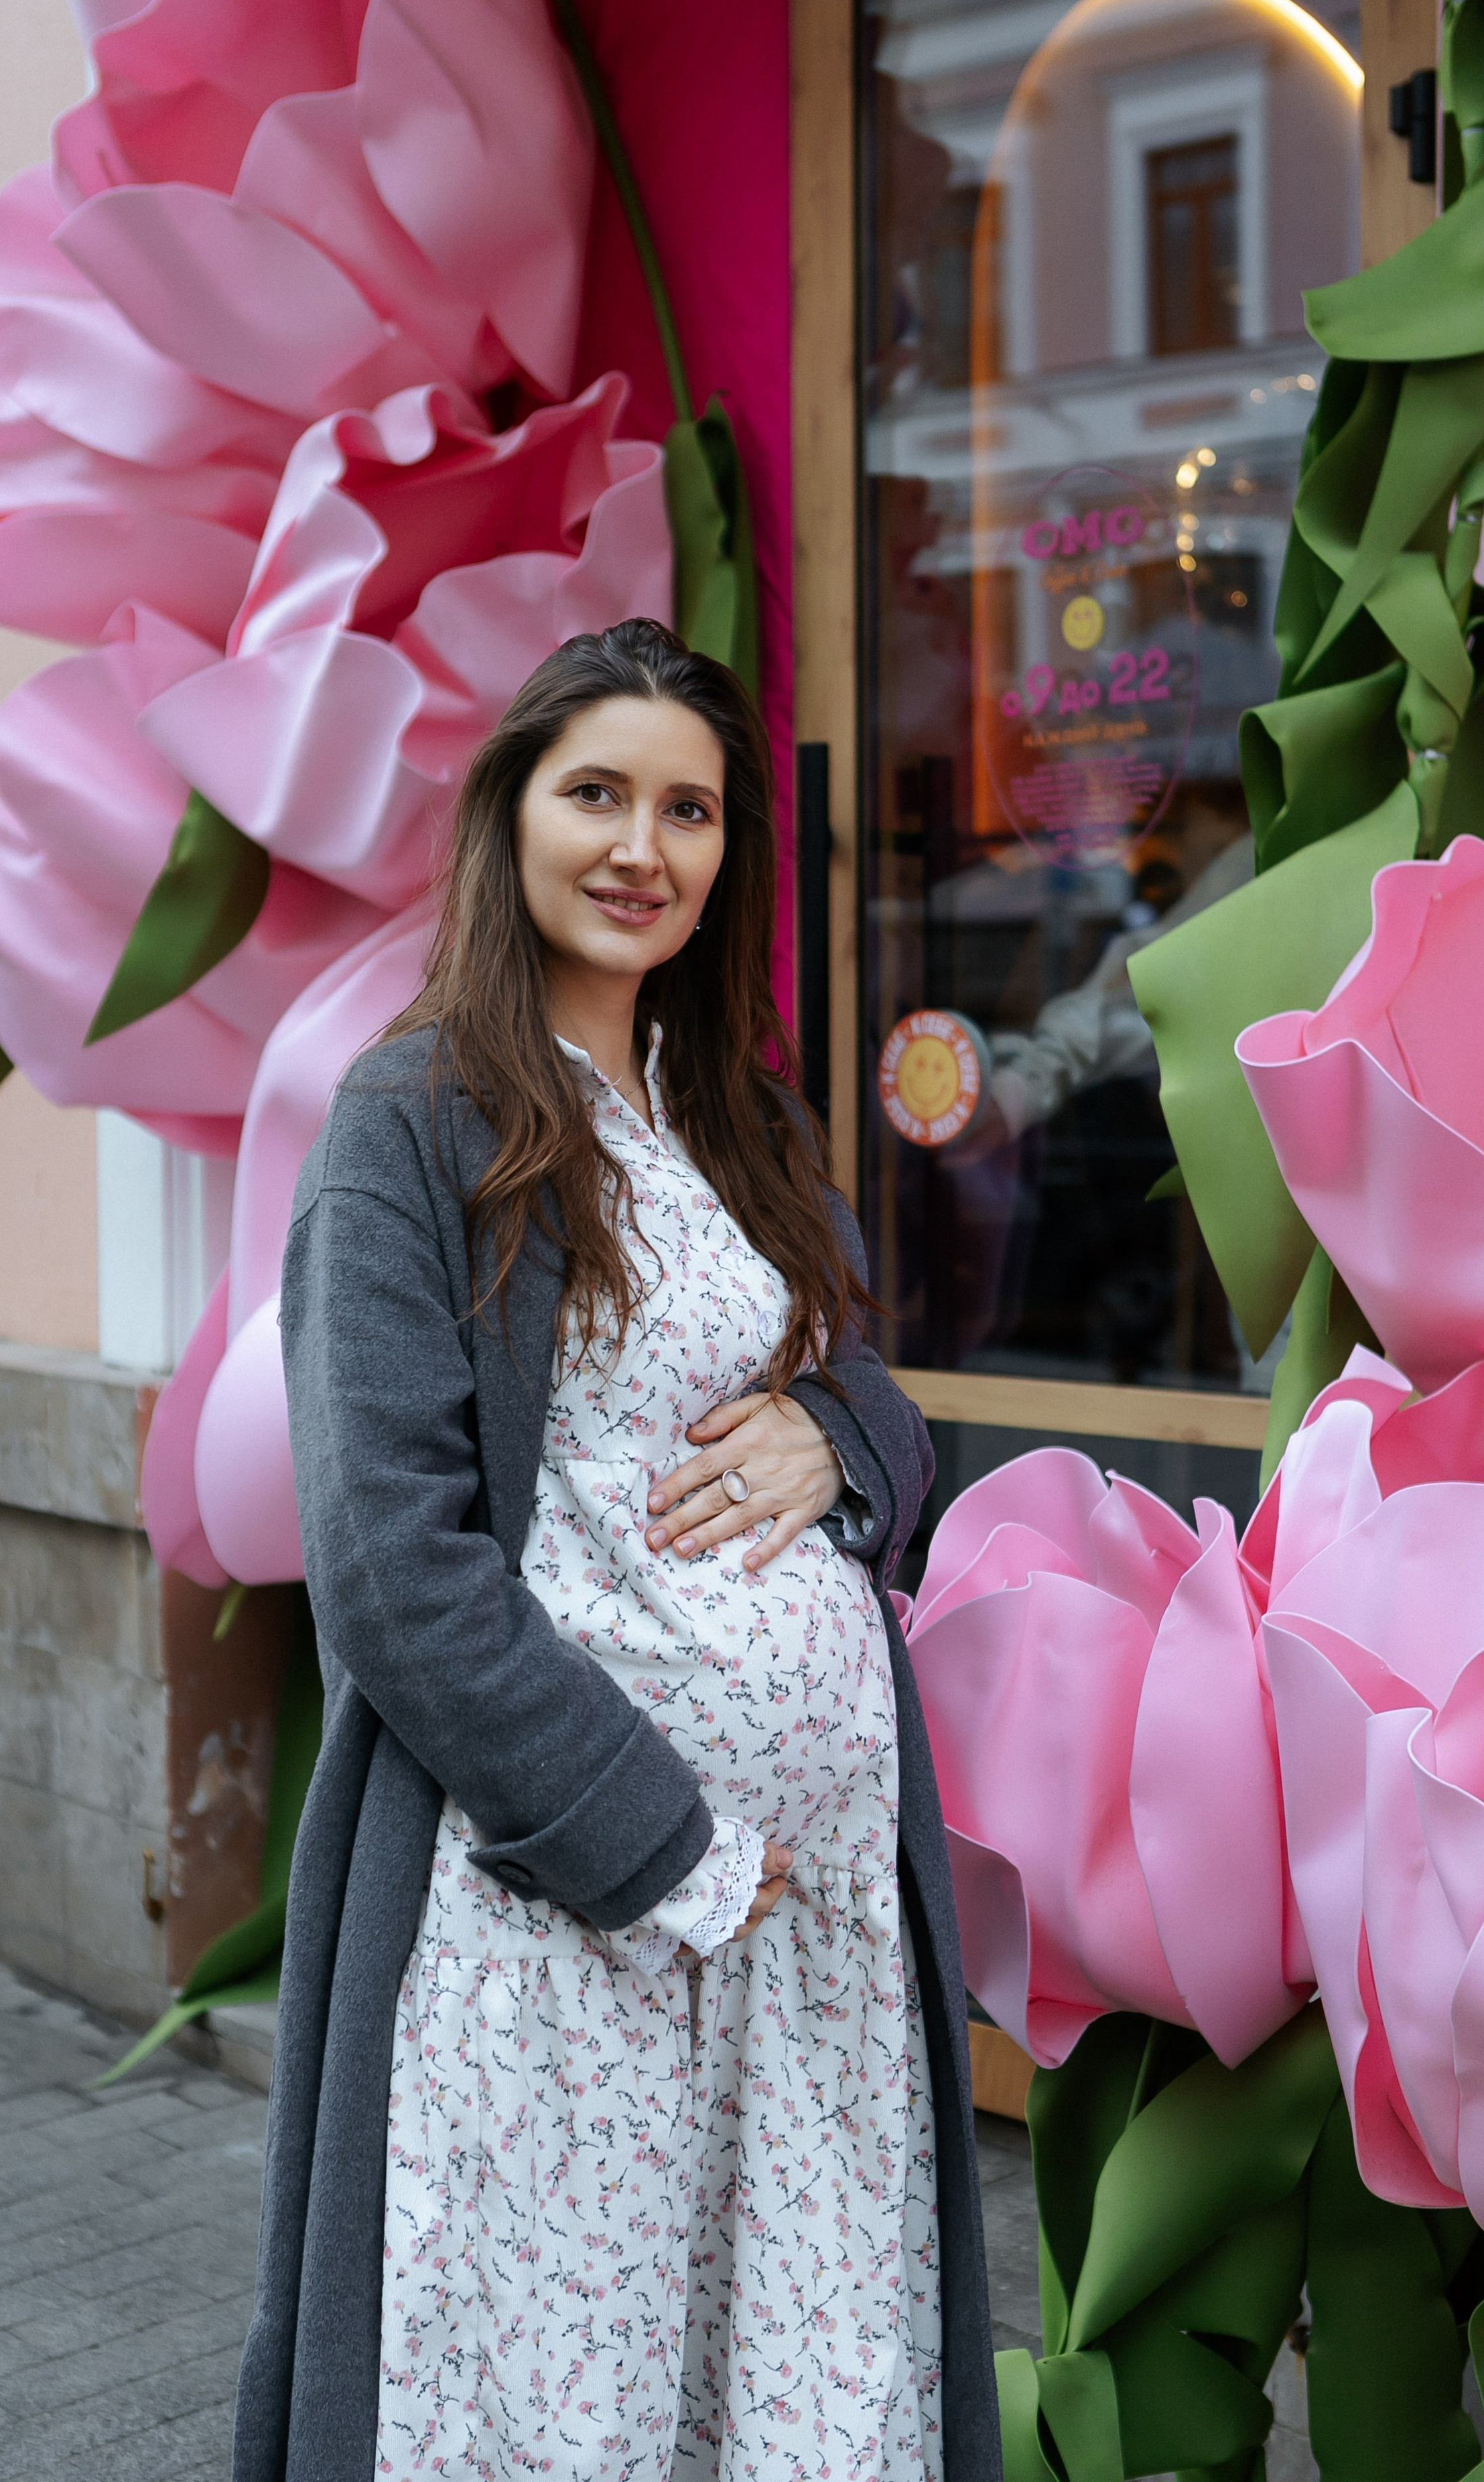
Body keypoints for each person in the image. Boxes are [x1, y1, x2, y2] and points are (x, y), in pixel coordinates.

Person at [230, 619, 1002, 2482]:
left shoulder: (737, 1121)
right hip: (566, 1919)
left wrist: (844, 1437)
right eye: (596, 794)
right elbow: (393, 1571)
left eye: (689, 808)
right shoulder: (411, 1123)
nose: (642, 846)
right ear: (511, 817)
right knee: (552, 2407)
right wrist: (661, 1848)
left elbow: (870, 1392)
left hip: (806, 1946)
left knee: (785, 2396)